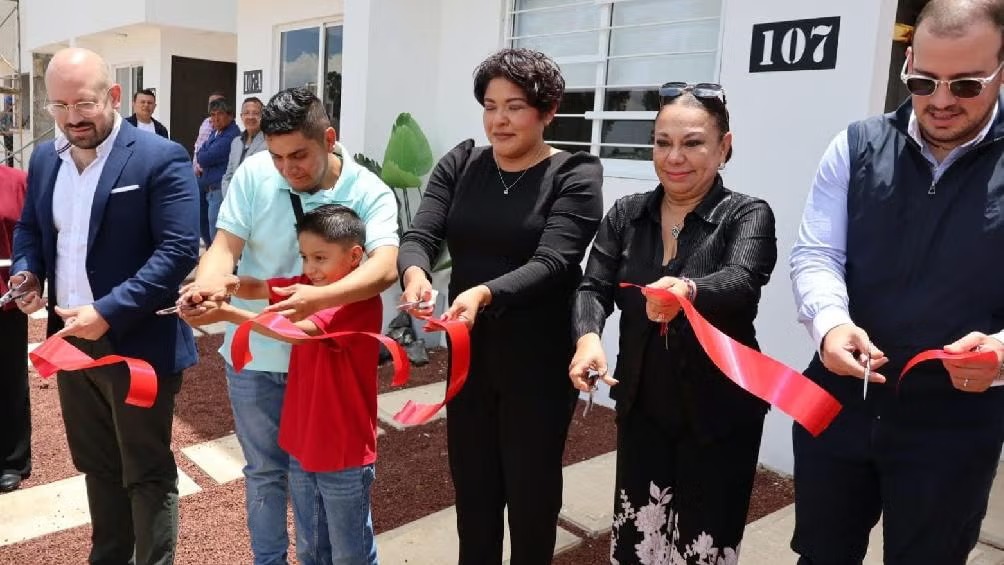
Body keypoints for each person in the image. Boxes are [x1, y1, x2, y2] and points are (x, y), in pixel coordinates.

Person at [789, 1, 1004, 563]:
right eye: (922, 80)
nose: (939, 100)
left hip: (954, 424)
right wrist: (830, 325)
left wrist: (1002, 352)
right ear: (907, 60)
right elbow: (816, 253)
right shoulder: (855, 145)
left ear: (1002, 69)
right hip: (839, 402)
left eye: (966, 84)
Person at [398, 48, 603, 564]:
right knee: (474, 491)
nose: (499, 120)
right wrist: (416, 271)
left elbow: (557, 260)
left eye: (514, 106)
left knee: (531, 496)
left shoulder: (575, 173)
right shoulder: (463, 162)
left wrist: (485, 292)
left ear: (548, 110)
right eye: (490, 106)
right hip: (471, 355)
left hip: (537, 358)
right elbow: (421, 232)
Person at [178, 87, 398, 565]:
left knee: (320, 488)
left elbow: (383, 269)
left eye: (298, 155)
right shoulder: (254, 174)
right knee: (264, 474)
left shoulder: (369, 192)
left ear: (329, 138)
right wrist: (210, 287)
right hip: (254, 359)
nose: (286, 168)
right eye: (276, 156)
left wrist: (313, 298)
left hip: (322, 369)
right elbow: (224, 248)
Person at [569, 82, 777, 564]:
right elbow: (592, 287)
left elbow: (741, 281)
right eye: (663, 142)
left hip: (720, 414)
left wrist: (688, 291)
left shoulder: (746, 214)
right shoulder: (627, 214)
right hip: (644, 411)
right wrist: (587, 339)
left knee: (702, 550)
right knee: (638, 542)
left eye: (693, 142)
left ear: (724, 146)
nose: (674, 157)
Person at [10, 47, 199, 564]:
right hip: (72, 343)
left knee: (146, 471)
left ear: (113, 96)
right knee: (97, 466)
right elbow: (31, 227)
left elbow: (179, 250)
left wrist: (109, 311)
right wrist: (28, 272)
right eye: (59, 106)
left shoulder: (161, 156)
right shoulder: (46, 157)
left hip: (139, 344)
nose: (72, 117)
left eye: (85, 103)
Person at [204, 204, 380, 565]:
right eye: (304, 257)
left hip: (343, 450)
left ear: (355, 256)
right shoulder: (309, 288)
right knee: (311, 547)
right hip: (303, 443)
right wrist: (226, 283)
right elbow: (262, 288)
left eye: (320, 258)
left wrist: (228, 314)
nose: (309, 269)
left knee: (351, 553)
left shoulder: (356, 300)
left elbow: (299, 334)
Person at [0, 164, 29, 493]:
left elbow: (29, 236)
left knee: (9, 381)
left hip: (5, 302)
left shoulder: (17, 181)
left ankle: (12, 460)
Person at [196, 98, 240, 244]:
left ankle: (218, 264)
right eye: (213, 115)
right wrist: (203, 154)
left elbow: (205, 157)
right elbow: (201, 151)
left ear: (230, 115)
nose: (215, 118)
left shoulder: (232, 134)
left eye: (220, 114)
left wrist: (203, 154)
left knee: (216, 232)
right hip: (207, 188)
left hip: (218, 190)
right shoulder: (215, 133)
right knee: (205, 227)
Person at [193, 91, 225, 246]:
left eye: (218, 103)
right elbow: (198, 147)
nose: (214, 107)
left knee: (214, 222)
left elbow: (207, 155)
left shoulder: (229, 131)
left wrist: (202, 156)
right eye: (211, 103)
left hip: (215, 182)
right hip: (199, 176)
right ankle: (208, 248)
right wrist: (196, 165)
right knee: (201, 218)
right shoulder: (206, 123)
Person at [221, 97, 266, 198]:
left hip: (257, 200)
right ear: (241, 117)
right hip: (234, 200)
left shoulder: (269, 142)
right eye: (246, 113)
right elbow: (228, 175)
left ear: (263, 117)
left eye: (255, 113)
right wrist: (229, 198)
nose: (250, 117)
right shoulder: (236, 142)